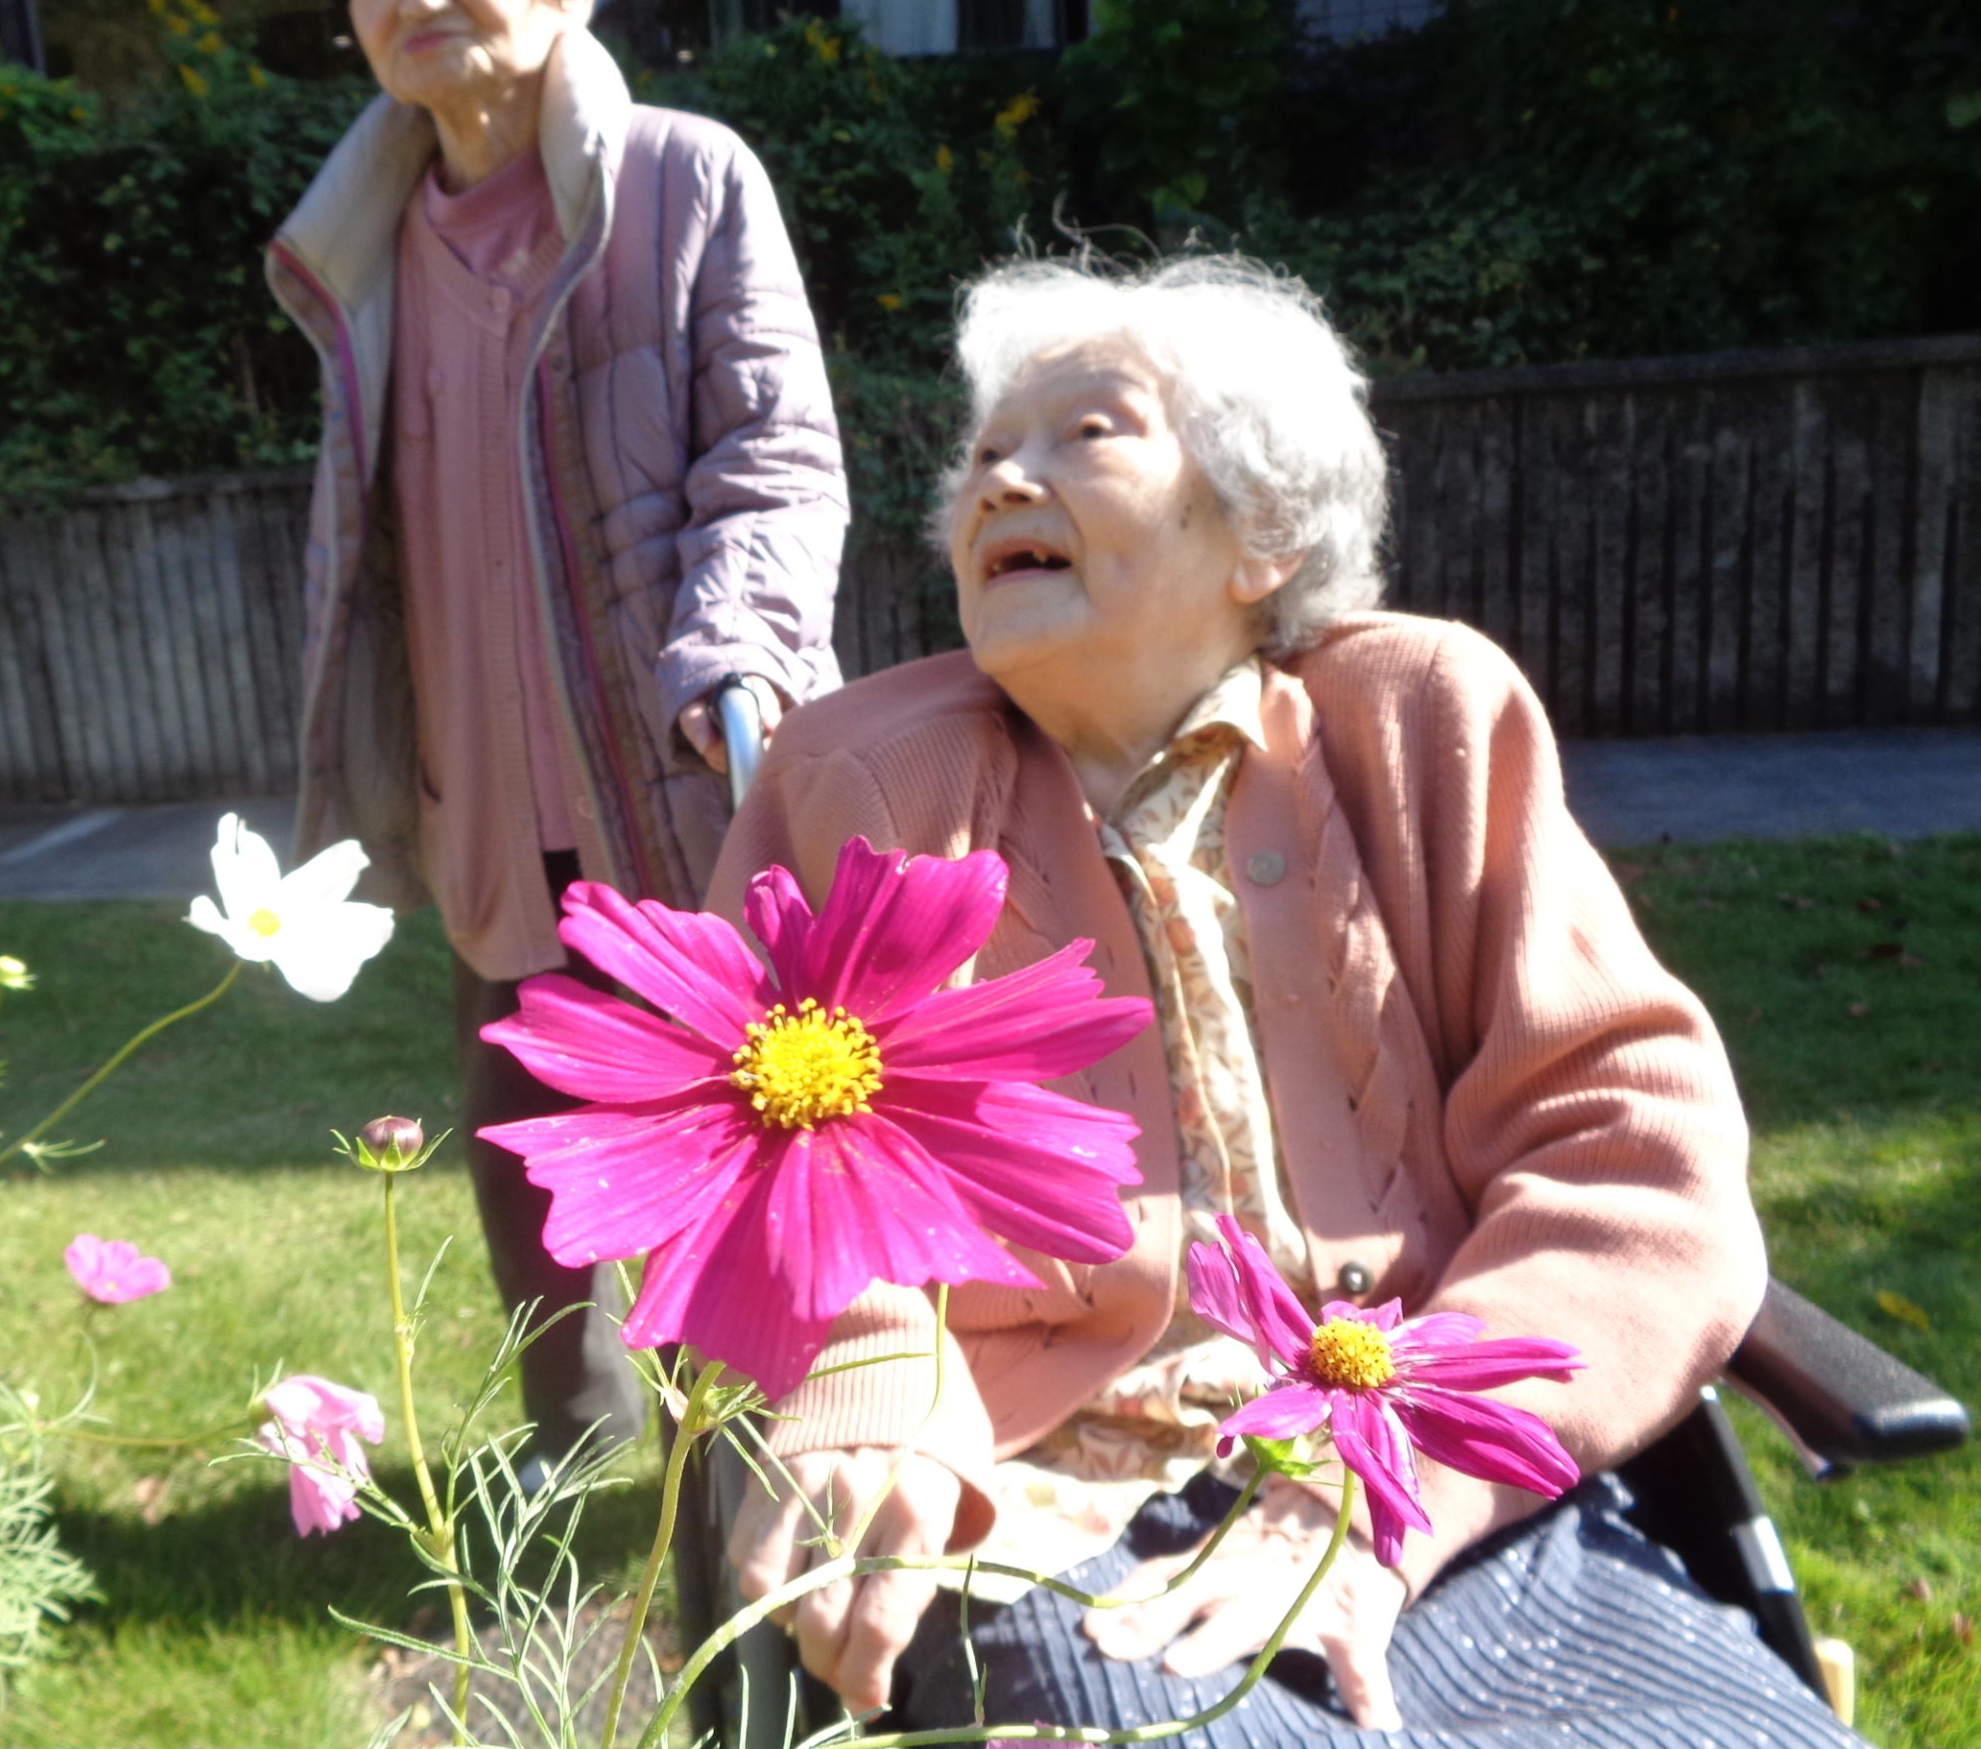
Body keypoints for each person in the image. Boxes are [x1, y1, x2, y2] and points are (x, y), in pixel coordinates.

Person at [707, 255, 1863, 1743]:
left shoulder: (1428, 722)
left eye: (1087, 433)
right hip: (1050, 1508)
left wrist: (1381, 1482)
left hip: (1440, 1484)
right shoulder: (866, 775)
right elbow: (737, 1133)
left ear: (1259, 531)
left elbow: (1630, 1161)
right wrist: (870, 1360)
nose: (1001, 482)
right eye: (986, 455)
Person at [269, 0, 849, 1463]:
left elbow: (776, 458)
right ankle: (569, 1433)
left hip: (653, 781)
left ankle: (739, 1467)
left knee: (698, 1156)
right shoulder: (361, 243)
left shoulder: (683, 179)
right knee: (523, 1141)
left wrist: (735, 650)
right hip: (477, 802)